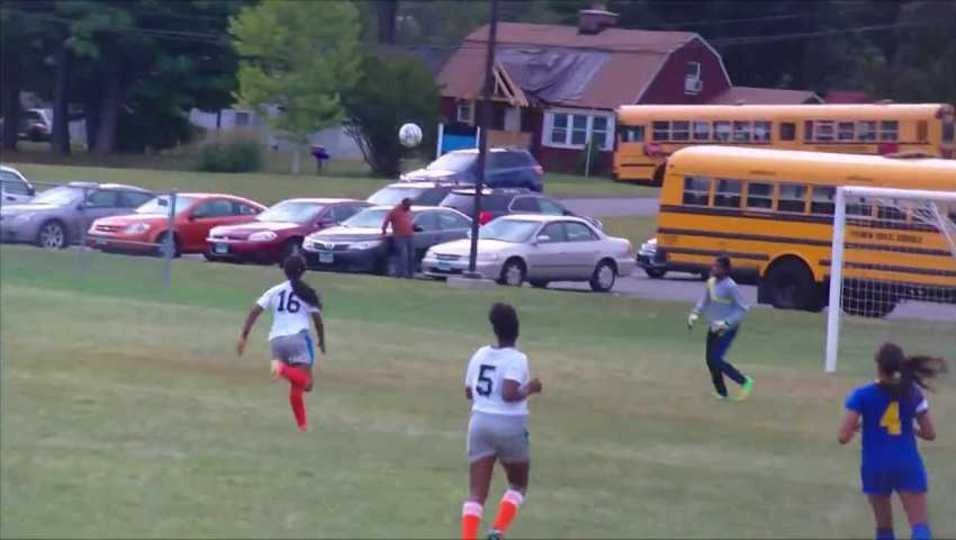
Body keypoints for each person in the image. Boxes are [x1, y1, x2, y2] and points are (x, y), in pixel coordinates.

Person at [838, 343, 946, 540]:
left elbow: (842, 437)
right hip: (907, 462)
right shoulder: (913, 393)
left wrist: (858, 427)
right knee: (919, 526)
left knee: (884, 529)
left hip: (875, 465)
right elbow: (930, 433)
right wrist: (912, 429)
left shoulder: (862, 395)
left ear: (878, 366)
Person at [460, 303, 542, 540]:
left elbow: (468, 391)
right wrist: (531, 388)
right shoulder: (517, 358)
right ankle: (497, 531)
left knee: (476, 493)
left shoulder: (480, 354)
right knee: (518, 484)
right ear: (516, 330)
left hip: (479, 423)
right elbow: (509, 393)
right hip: (509, 425)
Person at [237, 254, 326, 432]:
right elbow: (317, 319)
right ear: (303, 271)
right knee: (307, 383)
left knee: (297, 386)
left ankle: (302, 426)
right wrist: (321, 340)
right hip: (298, 338)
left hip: (277, 341)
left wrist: (244, 335)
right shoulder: (306, 292)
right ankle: (280, 369)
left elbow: (255, 310)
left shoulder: (275, 290)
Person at [687, 255, 754, 400]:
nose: (714, 269)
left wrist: (727, 323)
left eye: (717, 267)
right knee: (710, 360)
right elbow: (704, 301)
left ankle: (744, 381)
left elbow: (742, 308)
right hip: (713, 327)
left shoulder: (731, 286)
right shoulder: (711, 282)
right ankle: (721, 392)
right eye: (714, 266)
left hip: (728, 329)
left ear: (725, 270)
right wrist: (694, 314)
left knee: (716, 359)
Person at [381, 197, 416, 278]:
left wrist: (414, 227)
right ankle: (400, 274)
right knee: (402, 255)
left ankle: (410, 275)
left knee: (411, 256)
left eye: (410, 205)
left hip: (410, 235)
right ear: (403, 204)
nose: (409, 207)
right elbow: (386, 221)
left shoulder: (408, 211)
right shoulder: (394, 211)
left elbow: (409, 222)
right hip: (399, 236)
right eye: (408, 205)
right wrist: (383, 231)